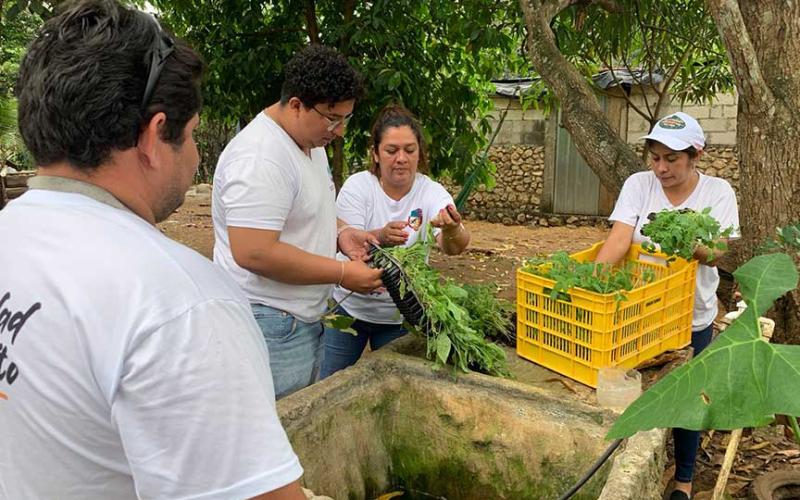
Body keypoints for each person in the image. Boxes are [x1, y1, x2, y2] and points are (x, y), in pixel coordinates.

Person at [0, 2, 306, 498]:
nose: (195, 155)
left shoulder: (11, 233)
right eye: (188, 136)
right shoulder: (180, 304)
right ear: (151, 136)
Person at [212, 45, 383, 400]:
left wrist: (341, 234)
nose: (339, 132)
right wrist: (341, 274)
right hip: (269, 325)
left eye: (345, 119)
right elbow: (254, 252)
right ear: (295, 105)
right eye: (332, 118)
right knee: (272, 434)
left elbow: (305, 210)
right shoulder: (261, 157)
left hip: (298, 322)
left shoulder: (309, 143)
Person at [595, 112, 739, 500]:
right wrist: (590, 281)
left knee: (688, 398)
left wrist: (696, 249)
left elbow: (719, 252)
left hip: (691, 315)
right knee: (639, 389)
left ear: (696, 155)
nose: (661, 168)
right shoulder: (638, 185)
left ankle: (684, 481)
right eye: (655, 157)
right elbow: (619, 239)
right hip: (639, 312)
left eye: (671, 159)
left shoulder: (718, 192)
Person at [320, 104, 470, 379]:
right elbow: (348, 242)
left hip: (399, 317)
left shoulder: (432, 192)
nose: (401, 158)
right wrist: (379, 237)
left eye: (409, 150)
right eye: (391, 150)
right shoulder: (358, 187)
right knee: (328, 383)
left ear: (420, 154)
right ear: (375, 154)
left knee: (392, 389)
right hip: (348, 308)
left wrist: (450, 229)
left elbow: (456, 245)